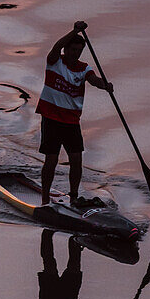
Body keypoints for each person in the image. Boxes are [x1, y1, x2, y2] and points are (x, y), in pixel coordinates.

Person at [35, 20, 112, 207]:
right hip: (51, 119)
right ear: (66, 50)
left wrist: (105, 85)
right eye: (72, 50)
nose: (75, 54)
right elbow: (57, 46)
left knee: (76, 160)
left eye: (79, 51)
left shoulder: (84, 68)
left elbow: (93, 80)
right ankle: (45, 199)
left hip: (71, 121)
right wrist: (75, 31)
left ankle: (74, 197)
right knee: (51, 160)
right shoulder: (54, 61)